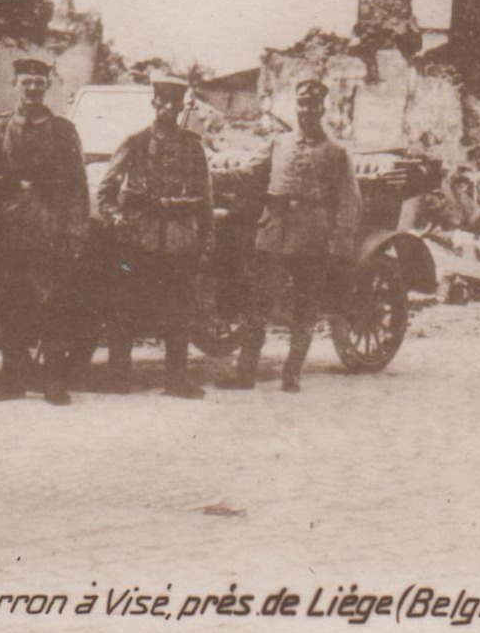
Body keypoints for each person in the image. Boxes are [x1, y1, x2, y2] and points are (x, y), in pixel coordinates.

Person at [217, 77, 360, 393]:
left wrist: (338, 244)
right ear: (295, 107)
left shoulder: (335, 152)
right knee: (257, 304)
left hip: (311, 236)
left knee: (305, 307)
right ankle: (245, 375)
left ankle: (292, 374)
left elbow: (349, 201)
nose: (306, 110)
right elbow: (248, 172)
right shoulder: (278, 143)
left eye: (312, 104)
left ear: (322, 108)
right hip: (273, 232)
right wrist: (209, 175)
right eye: (301, 104)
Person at [0, 56, 89, 405]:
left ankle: (53, 382)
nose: (32, 88)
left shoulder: (64, 131)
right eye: (26, 82)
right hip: (5, 229)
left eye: (39, 82)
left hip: (48, 227)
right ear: (14, 85)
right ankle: (12, 381)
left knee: (52, 304)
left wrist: (76, 230)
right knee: (11, 305)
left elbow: (79, 186)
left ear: (47, 86)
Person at [97, 74, 213, 399]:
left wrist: (205, 242)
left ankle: (176, 382)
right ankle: (118, 378)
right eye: (161, 101)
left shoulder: (192, 147)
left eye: (173, 103)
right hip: (137, 241)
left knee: (178, 312)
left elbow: (205, 199)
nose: (166, 108)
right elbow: (107, 190)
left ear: (179, 107)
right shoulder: (134, 142)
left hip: (178, 241)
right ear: (153, 103)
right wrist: (117, 217)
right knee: (124, 309)